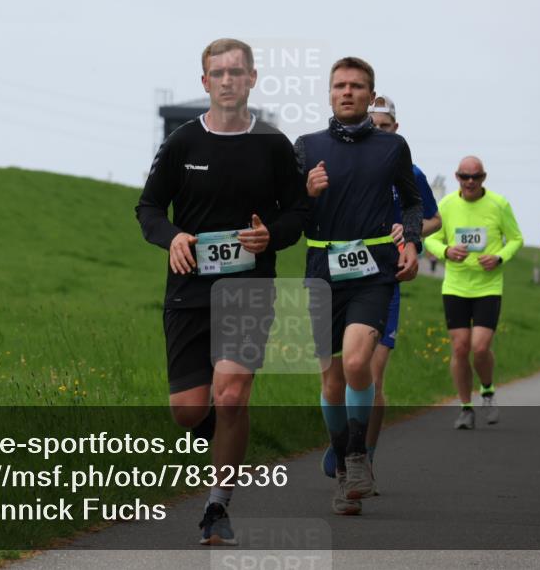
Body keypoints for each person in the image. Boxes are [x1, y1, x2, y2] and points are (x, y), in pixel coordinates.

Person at [135, 38, 307, 545]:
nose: (228, 80)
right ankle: (230, 441)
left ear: (253, 79)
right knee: (189, 411)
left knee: (231, 394)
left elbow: (298, 212)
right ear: (205, 81)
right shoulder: (182, 144)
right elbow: (147, 210)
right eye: (219, 73)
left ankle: (217, 506)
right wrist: (174, 238)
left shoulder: (274, 145)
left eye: (238, 72)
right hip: (189, 288)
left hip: (249, 286)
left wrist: (271, 234)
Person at [296, 57, 423, 516]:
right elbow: (293, 221)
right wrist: (305, 194)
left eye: (356, 86)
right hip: (321, 270)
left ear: (371, 96)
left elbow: (411, 204)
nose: (347, 92)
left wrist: (411, 240)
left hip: (373, 269)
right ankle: (344, 463)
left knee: (356, 361)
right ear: (329, 93)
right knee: (331, 381)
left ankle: (356, 458)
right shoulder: (307, 147)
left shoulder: (393, 147)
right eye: (339, 85)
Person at [320, 94, 440, 484]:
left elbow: (432, 218)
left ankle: (364, 455)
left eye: (385, 127)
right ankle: (344, 444)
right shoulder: (343, 163)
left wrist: (407, 233)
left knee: (372, 371)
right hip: (338, 274)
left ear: (396, 130)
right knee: (336, 376)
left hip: (383, 278)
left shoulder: (409, 169)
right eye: (375, 126)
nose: (378, 133)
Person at [423, 156, 523, 429]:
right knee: (460, 347)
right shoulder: (445, 205)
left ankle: (487, 391)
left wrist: (499, 258)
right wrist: (446, 251)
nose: (469, 182)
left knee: (480, 347)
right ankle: (466, 407)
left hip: (488, 285)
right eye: (464, 176)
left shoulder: (498, 204)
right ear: (456, 177)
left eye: (475, 177)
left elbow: (516, 239)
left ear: (483, 178)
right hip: (455, 285)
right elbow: (430, 237)